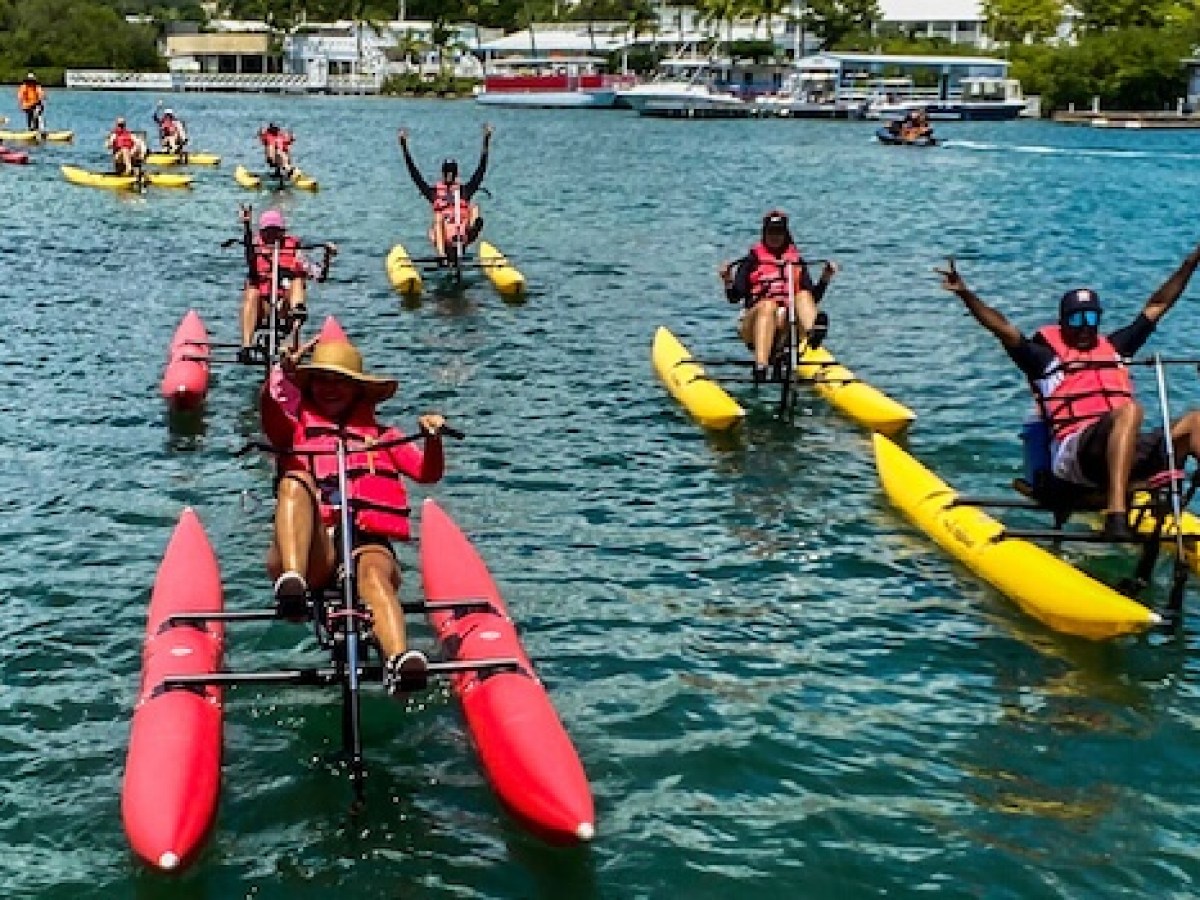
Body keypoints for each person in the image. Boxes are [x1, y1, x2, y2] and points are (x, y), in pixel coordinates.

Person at [936, 249, 1200, 539]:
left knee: (1196, 422)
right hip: (1075, 458)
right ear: (1062, 323)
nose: (1085, 326)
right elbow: (1001, 328)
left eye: (1091, 317)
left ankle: (1129, 499)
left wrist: (1192, 260)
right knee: (1130, 411)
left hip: (1121, 448)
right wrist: (965, 294)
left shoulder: (1115, 349)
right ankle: (1116, 515)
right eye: (1076, 320)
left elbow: (1159, 304)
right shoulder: (1043, 358)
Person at [265, 338, 448, 695]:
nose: (330, 389)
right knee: (294, 481)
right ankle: (292, 586)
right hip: (315, 553)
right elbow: (270, 416)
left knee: (374, 576)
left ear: (358, 389)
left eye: (341, 381)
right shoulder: (295, 429)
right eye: (321, 380)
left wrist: (433, 440)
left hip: (367, 542)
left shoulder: (383, 436)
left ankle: (399, 660)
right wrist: (279, 376)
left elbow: (428, 473)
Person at [719, 210, 838, 383]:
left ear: (786, 234)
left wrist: (825, 278)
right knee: (768, 305)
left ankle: (813, 334)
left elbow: (812, 300)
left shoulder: (795, 260)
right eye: (771, 232)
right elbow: (734, 297)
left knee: (803, 294)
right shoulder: (751, 261)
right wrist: (727, 279)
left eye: (779, 232)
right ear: (764, 233)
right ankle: (761, 366)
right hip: (755, 325)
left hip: (788, 327)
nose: (775, 236)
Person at [238, 206, 336, 362]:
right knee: (252, 292)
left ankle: (298, 310)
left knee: (297, 280)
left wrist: (327, 257)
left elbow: (320, 276)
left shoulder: (295, 252)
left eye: (275, 231)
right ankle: (246, 346)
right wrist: (246, 225)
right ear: (261, 233)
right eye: (267, 232)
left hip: (285, 309)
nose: (271, 236)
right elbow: (249, 248)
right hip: (262, 309)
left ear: (282, 232)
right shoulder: (255, 250)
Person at [398, 123, 492, 264]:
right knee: (438, 217)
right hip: (444, 237)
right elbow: (414, 174)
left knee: (474, 208)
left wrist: (486, 141)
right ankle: (442, 256)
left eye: (452, 172)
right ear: (442, 173)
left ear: (456, 173)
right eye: (447, 172)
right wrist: (404, 147)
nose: (449, 175)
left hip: (462, 234)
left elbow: (481, 170)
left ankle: (473, 229)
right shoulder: (434, 192)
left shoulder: (464, 190)